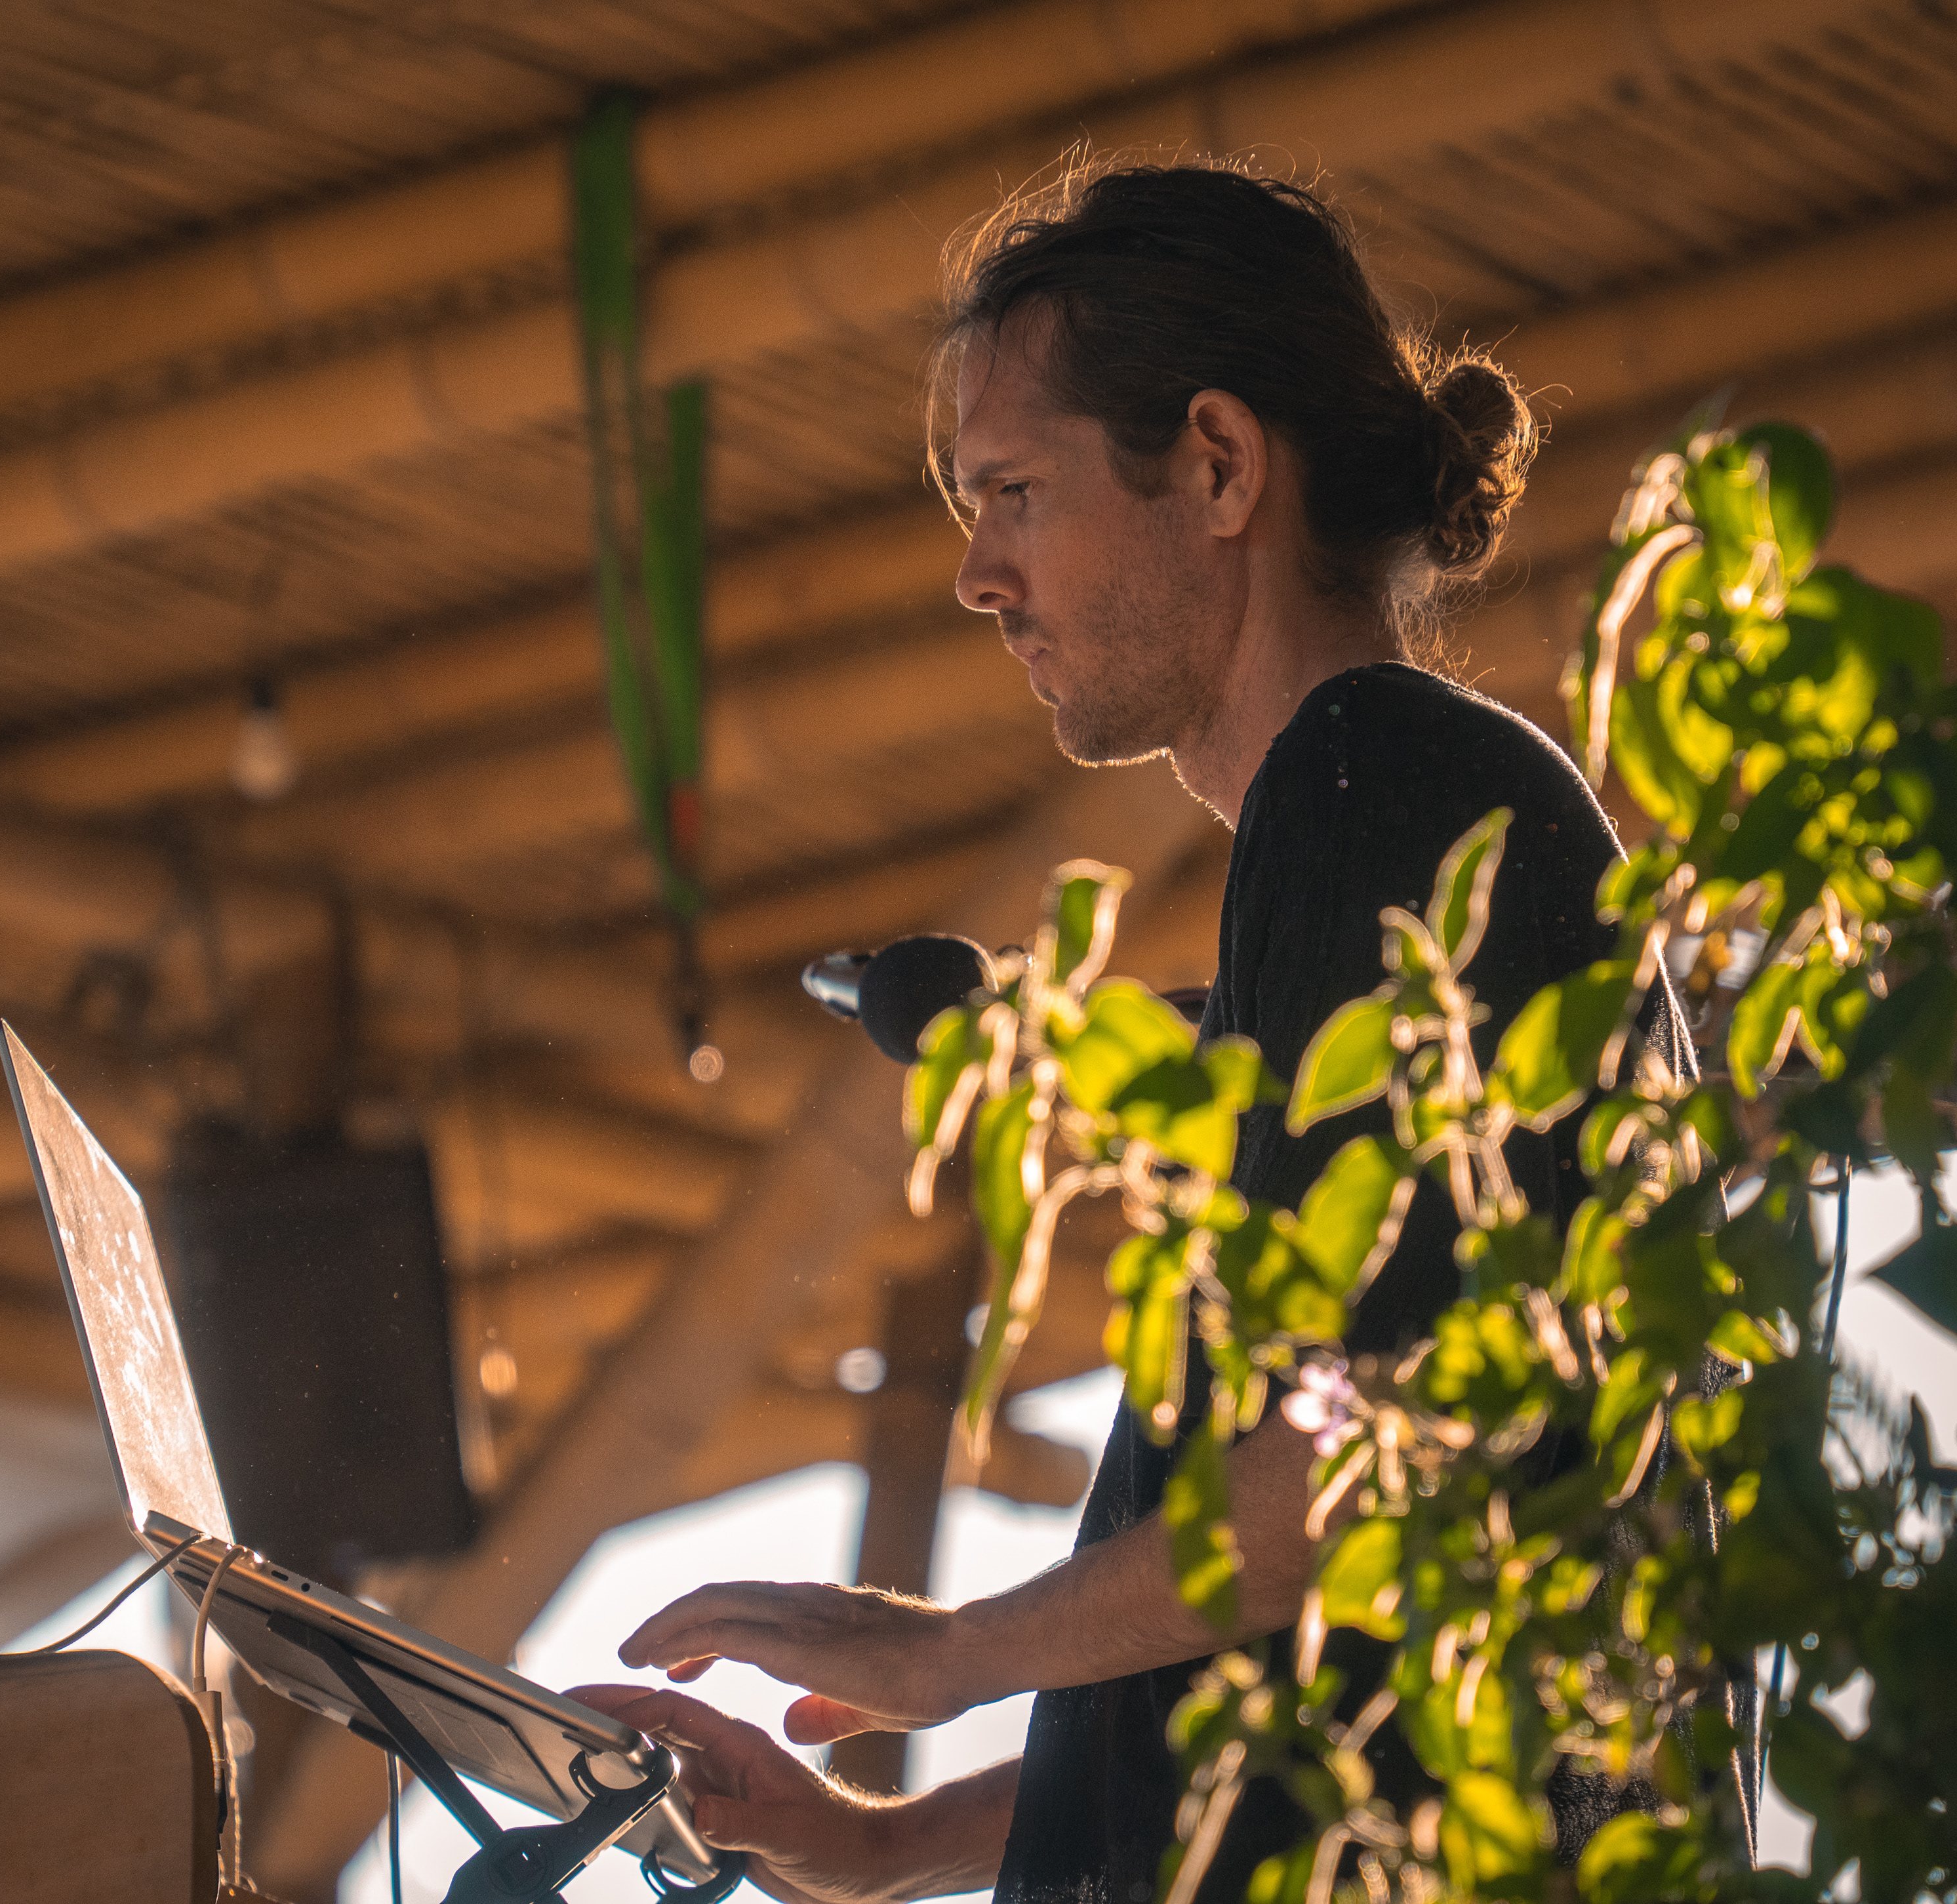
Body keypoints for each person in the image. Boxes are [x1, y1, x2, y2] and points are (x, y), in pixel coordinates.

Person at [573, 155, 1689, 1903]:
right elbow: (1299, 1664)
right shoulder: (1361, 833)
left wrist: (945, 1654)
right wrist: (880, 1846)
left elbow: (1351, 1470)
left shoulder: (1375, 778)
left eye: (1013, 490)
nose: (976, 576)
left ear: (1222, 467)